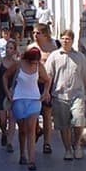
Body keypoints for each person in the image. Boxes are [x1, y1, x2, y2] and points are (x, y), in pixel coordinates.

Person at [45, 29, 86, 161]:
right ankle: (67, 149)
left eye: (68, 39)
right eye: (63, 38)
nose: (65, 41)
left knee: (78, 120)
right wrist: (46, 92)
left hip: (77, 94)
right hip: (59, 95)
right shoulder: (54, 56)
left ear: (72, 41)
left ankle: (77, 144)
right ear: (60, 40)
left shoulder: (80, 57)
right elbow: (48, 76)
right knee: (63, 125)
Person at [5, 44, 48, 170]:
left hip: (34, 100)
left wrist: (45, 93)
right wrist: (8, 92)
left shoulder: (39, 66)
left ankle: (31, 160)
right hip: (18, 99)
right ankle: (22, 153)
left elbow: (47, 79)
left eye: (37, 60)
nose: (35, 63)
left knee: (31, 130)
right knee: (22, 130)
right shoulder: (18, 64)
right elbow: (5, 76)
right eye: (33, 60)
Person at [33, 24, 58, 153]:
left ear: (45, 34)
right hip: (34, 84)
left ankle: (47, 143)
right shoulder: (31, 48)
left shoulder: (54, 47)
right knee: (34, 113)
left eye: (38, 33)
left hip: (48, 83)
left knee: (47, 114)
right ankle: (37, 129)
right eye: (34, 33)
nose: (35, 35)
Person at [0, 35, 20, 151]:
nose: (9, 50)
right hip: (1, 91)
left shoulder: (17, 64)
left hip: (13, 92)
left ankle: (9, 142)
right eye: (7, 48)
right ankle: (4, 133)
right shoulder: (0, 62)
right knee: (2, 120)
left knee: (12, 118)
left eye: (11, 48)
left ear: (15, 50)